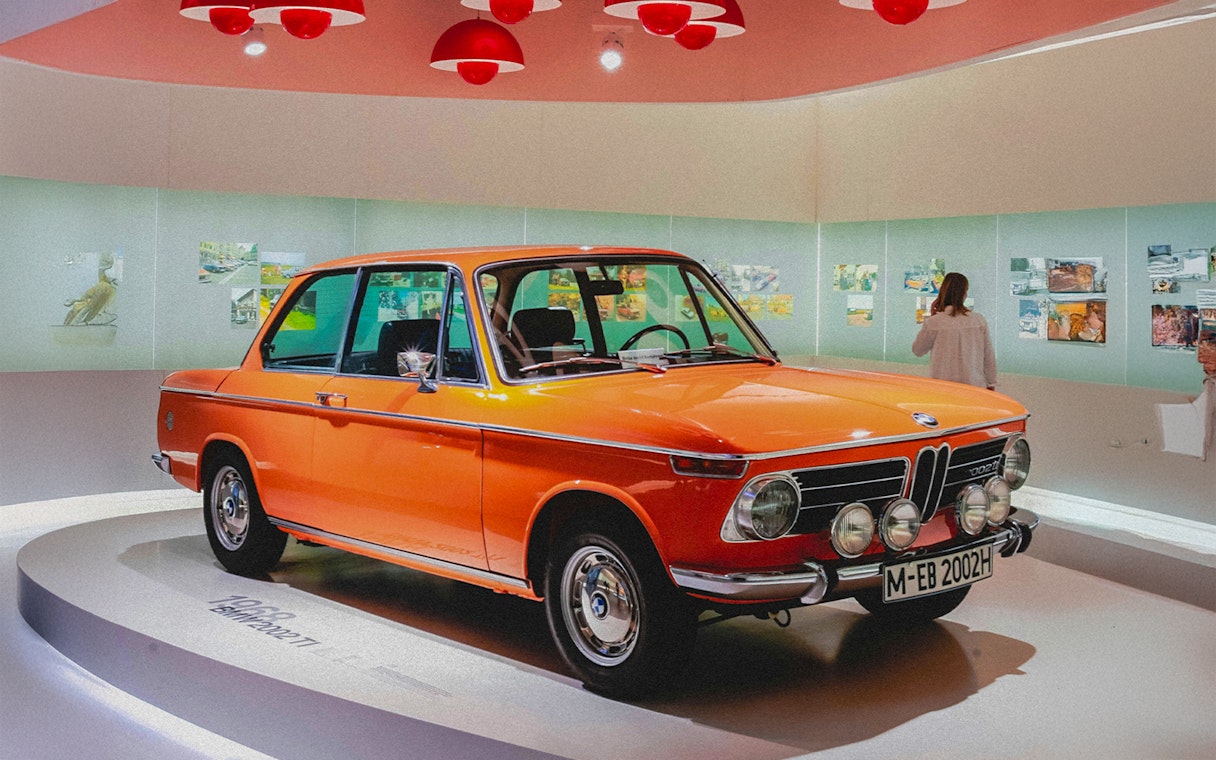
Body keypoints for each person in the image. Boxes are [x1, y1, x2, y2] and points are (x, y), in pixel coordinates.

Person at [912, 272, 997, 390]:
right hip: (974, 387)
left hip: (942, 388)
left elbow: (918, 350)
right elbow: (988, 356)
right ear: (964, 293)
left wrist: (931, 318)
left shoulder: (934, 322)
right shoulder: (978, 320)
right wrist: (991, 383)